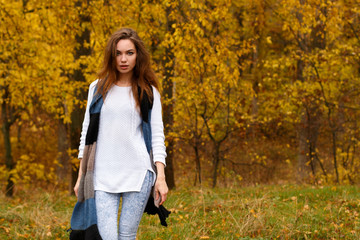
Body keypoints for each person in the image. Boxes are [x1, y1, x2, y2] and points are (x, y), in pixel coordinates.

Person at [71, 28, 169, 240]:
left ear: (138, 55)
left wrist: (160, 177)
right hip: (102, 176)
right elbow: (86, 135)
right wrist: (81, 176)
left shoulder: (149, 91)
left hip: (138, 174)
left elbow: (157, 137)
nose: (123, 59)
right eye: (118, 53)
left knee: (127, 236)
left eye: (130, 53)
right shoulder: (97, 89)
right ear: (111, 56)